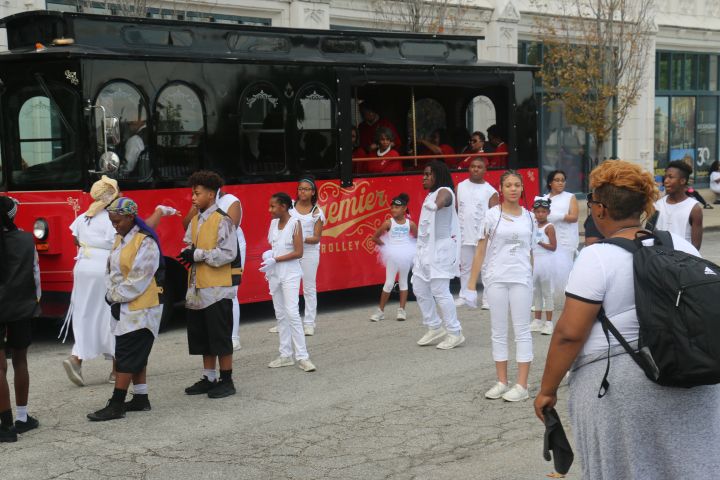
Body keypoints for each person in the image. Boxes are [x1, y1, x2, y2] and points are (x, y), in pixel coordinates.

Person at [534, 159, 720, 479]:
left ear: (602, 210)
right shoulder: (681, 246)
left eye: (592, 203)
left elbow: (569, 333)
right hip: (694, 371)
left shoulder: (597, 257)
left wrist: (546, 391)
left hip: (625, 386)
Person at [87, 197, 164, 421]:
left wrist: (113, 295)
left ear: (131, 217)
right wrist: (111, 292)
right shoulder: (120, 239)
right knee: (134, 354)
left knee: (127, 355)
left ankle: (117, 404)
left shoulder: (146, 242)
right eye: (112, 222)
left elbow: (139, 279)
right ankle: (141, 398)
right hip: (123, 305)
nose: (115, 226)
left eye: (118, 221)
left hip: (142, 307)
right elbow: (111, 270)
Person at [462, 170, 536, 402]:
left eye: (517, 185)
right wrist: (471, 285)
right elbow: (480, 250)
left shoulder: (530, 217)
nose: (513, 189)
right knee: (498, 331)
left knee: (522, 331)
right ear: (501, 189)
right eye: (508, 185)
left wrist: (530, 277)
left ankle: (522, 385)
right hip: (496, 278)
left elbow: (531, 251)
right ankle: (502, 381)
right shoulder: (491, 216)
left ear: (522, 188)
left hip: (521, 279)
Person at [180, 171, 240, 399]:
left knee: (220, 335)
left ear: (211, 194)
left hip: (217, 289)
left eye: (197, 194)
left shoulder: (222, 220)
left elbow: (228, 253)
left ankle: (227, 379)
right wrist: (186, 251)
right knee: (203, 335)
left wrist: (197, 254)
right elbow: (188, 242)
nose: (193, 198)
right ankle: (209, 377)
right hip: (198, 288)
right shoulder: (196, 220)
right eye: (192, 193)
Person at [60, 176, 119, 386]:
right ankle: (116, 369)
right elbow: (118, 242)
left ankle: (76, 358)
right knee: (110, 314)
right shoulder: (112, 218)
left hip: (83, 266)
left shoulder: (86, 216)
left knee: (84, 313)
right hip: (102, 267)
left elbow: (75, 238)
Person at [0, 196, 41, 442]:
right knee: (20, 361)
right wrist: (35, 305)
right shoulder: (27, 240)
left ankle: (5, 425)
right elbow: (36, 277)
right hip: (22, 307)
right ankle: (23, 418)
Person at [412, 161, 465, 350]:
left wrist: (436, 205)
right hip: (425, 250)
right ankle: (434, 326)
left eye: (428, 174)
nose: (424, 177)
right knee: (418, 286)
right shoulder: (430, 195)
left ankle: (455, 332)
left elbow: (445, 198)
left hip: (441, 249)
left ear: (438, 175)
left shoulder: (445, 191)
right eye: (424, 174)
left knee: (440, 291)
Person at [261, 193, 316, 372]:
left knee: (292, 313)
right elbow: (274, 247)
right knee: (280, 314)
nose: (270, 210)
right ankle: (285, 355)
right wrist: (269, 256)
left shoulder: (295, 223)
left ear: (283, 207)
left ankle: (303, 357)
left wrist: (276, 259)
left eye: (273, 207)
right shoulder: (273, 224)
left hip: (290, 273)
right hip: (275, 273)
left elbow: (299, 252)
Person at [455, 157, 498, 308]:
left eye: (479, 167)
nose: (475, 169)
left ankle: (487, 299)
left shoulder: (490, 191)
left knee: (485, 267)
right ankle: (464, 296)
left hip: (483, 235)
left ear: (485, 170)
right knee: (465, 266)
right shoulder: (460, 186)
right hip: (464, 233)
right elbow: (455, 209)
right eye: (473, 166)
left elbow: (495, 215)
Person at [369, 193, 417, 322]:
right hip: (392, 255)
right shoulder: (388, 223)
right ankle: (380, 311)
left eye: (397, 207)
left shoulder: (410, 224)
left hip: (405, 254)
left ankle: (402, 310)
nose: (394, 210)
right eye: (392, 207)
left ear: (404, 208)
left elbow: (418, 238)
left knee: (403, 282)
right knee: (389, 283)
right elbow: (374, 237)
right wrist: (387, 247)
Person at [291, 176, 325, 336]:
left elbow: (316, 238)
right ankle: (287, 321)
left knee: (309, 288)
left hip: (308, 253)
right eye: (300, 189)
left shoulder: (317, 212)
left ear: (312, 192)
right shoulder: (289, 206)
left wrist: (299, 238)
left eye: (305, 189)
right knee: (288, 287)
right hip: (290, 251)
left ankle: (309, 323)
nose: (302, 192)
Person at [216, 189, 246, 351]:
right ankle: (222, 335)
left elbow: (229, 229)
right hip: (214, 250)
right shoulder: (201, 203)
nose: (194, 195)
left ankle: (234, 338)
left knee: (231, 292)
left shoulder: (230, 200)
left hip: (234, 248)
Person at [543, 170, 579, 309]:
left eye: (562, 180)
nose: (560, 182)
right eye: (557, 180)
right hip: (549, 238)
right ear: (550, 182)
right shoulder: (544, 199)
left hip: (565, 239)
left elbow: (574, 217)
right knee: (548, 269)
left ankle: (571, 301)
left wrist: (556, 215)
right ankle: (547, 300)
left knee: (566, 271)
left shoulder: (570, 197)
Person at [654, 160, 703, 250]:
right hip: (660, 260)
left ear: (682, 181)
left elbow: (696, 246)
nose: (666, 181)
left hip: (683, 260)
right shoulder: (658, 205)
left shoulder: (694, 209)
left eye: (671, 177)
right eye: (665, 177)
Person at [529, 197, 557, 336]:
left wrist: (540, 243)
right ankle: (537, 320)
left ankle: (549, 322)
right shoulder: (533, 225)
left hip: (546, 263)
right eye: (538, 211)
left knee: (547, 292)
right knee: (536, 292)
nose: (540, 214)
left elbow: (553, 247)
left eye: (543, 212)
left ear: (548, 212)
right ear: (534, 212)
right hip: (535, 262)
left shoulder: (549, 227)